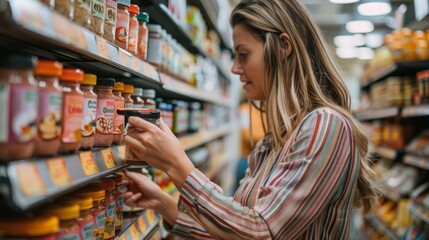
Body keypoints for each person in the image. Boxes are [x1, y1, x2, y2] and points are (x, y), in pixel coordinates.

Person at [123, 0, 379, 239]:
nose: (235, 68)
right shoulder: (271, 143)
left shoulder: (325, 126)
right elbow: (236, 230)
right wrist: (163, 204)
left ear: (283, 47)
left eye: (243, 55)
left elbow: (262, 231)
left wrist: (178, 166)